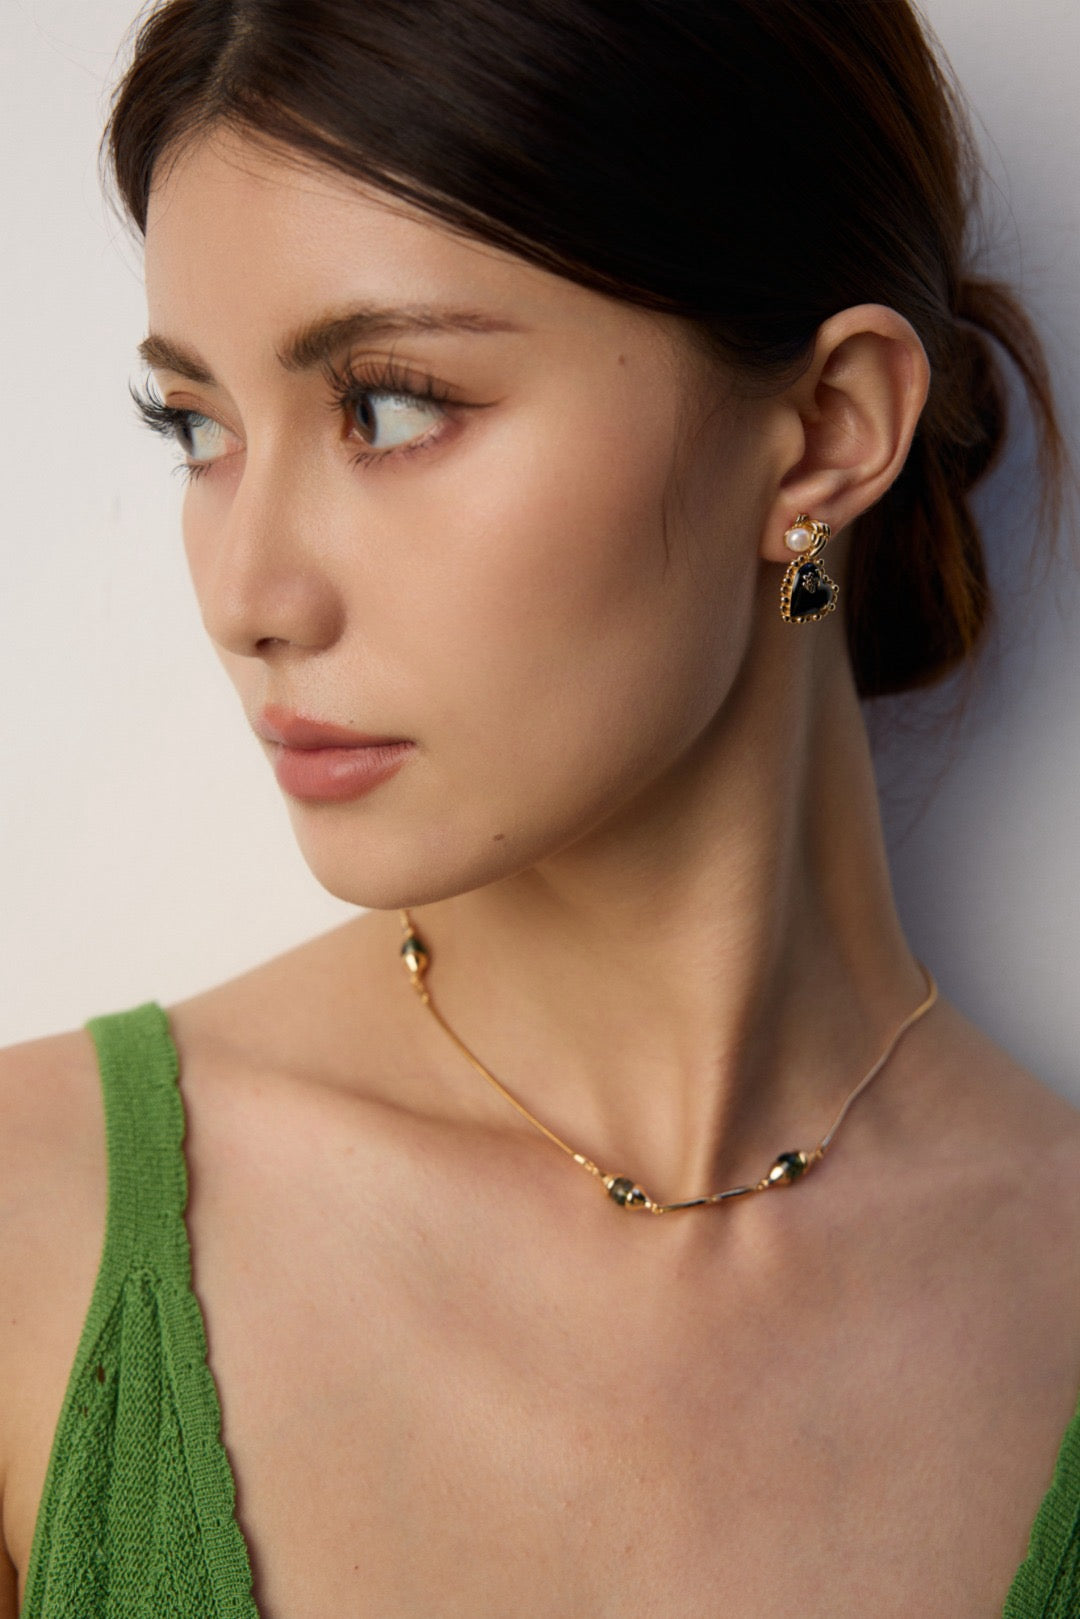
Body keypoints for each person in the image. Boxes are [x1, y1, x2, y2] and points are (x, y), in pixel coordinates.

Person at [1, 0, 1078, 1613]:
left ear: (829, 428)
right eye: (200, 428)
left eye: (389, 407)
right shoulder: (32, 1228)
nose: (249, 592)